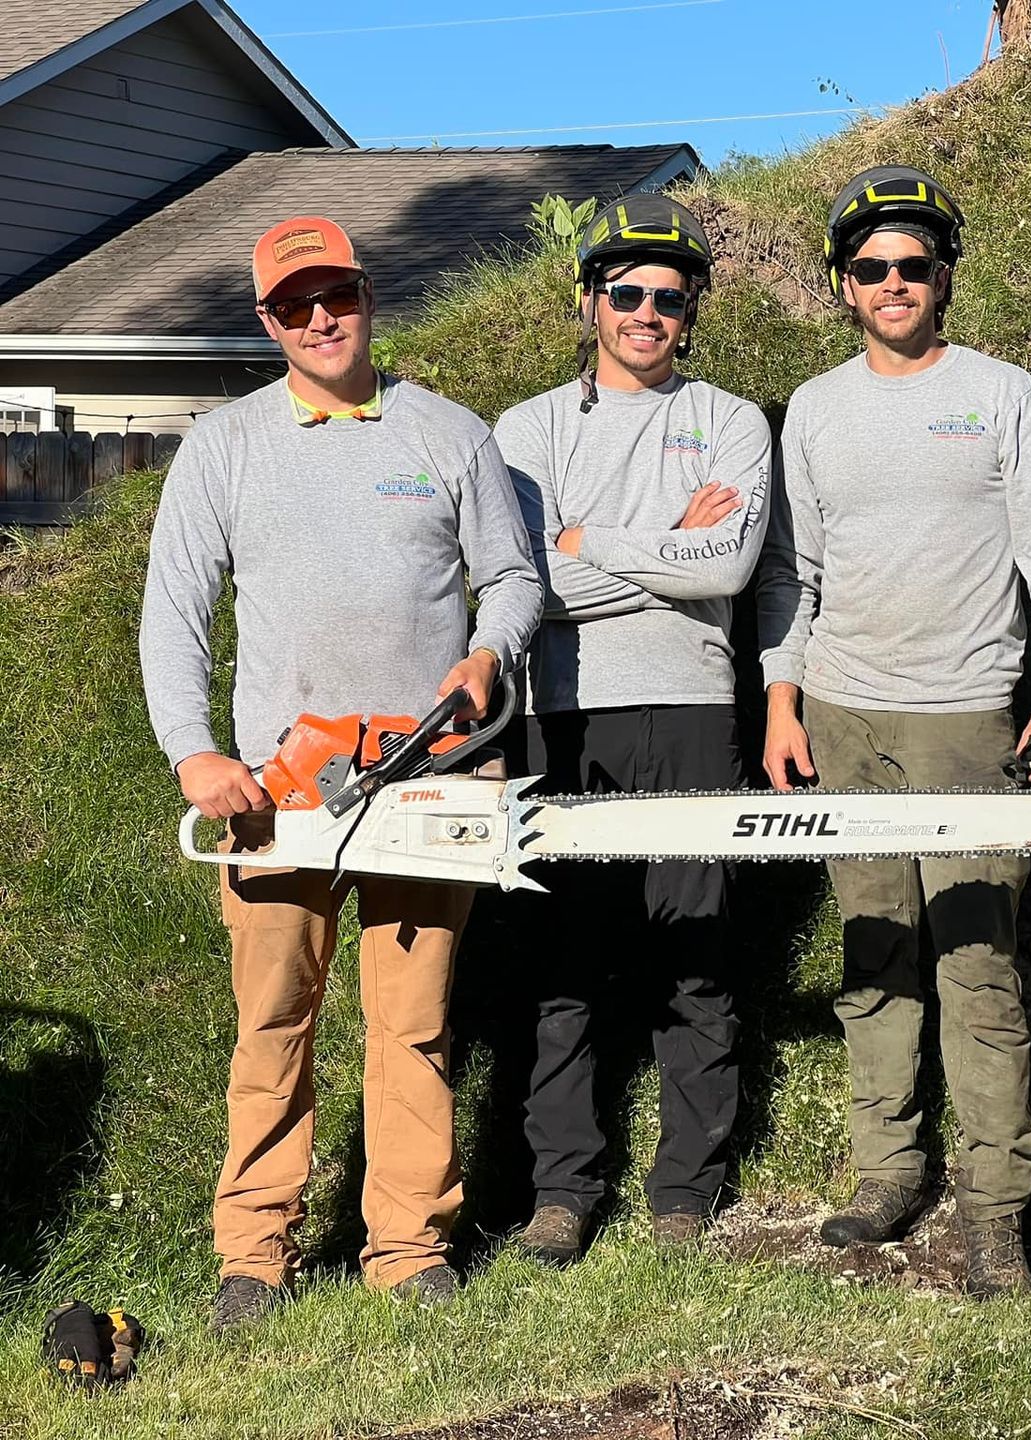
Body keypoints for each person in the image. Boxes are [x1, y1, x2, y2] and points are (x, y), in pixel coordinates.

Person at [139, 216, 542, 1330]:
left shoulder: (450, 434)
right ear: (267, 320)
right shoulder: (223, 447)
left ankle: (409, 1244)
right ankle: (254, 1256)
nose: (322, 321)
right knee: (273, 1024)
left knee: (413, 1024)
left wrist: (487, 649)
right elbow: (173, 612)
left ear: (369, 298)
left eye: (339, 298)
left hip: (428, 780)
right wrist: (197, 754)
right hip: (282, 789)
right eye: (295, 305)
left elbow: (512, 580)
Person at [757, 165, 1031, 1298]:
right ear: (845, 288)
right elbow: (794, 573)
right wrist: (783, 697)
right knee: (875, 953)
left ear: (943, 278)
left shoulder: (1003, 394)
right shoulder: (813, 407)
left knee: (977, 965)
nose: (892, 284)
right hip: (845, 713)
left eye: (913, 266)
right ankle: (886, 1171)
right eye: (870, 270)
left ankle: (997, 1207)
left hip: (967, 718)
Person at [491, 191, 771, 1265]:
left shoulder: (734, 421)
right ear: (590, 300)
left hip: (697, 706)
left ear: (692, 306)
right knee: (567, 959)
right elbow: (528, 585)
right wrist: (661, 547)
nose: (646, 311)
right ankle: (563, 1188)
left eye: (668, 294)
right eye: (626, 292)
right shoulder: (527, 429)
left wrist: (586, 537)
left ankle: (685, 1190)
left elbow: (732, 567)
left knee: (696, 956)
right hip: (564, 713)